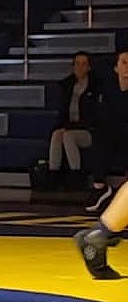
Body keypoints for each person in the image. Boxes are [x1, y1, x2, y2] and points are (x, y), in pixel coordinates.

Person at [44, 51, 97, 189]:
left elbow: (93, 117)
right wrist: (61, 126)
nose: (80, 67)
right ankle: (53, 177)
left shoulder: (95, 87)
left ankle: (76, 178)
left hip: (89, 130)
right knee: (57, 135)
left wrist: (69, 127)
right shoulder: (66, 85)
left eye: (84, 64)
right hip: (70, 126)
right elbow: (62, 112)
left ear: (89, 67)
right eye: (77, 64)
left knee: (68, 136)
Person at [83, 50, 128, 213]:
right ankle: (100, 187)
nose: (127, 67)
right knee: (101, 137)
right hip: (114, 135)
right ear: (116, 68)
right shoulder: (107, 91)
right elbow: (101, 118)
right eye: (124, 62)